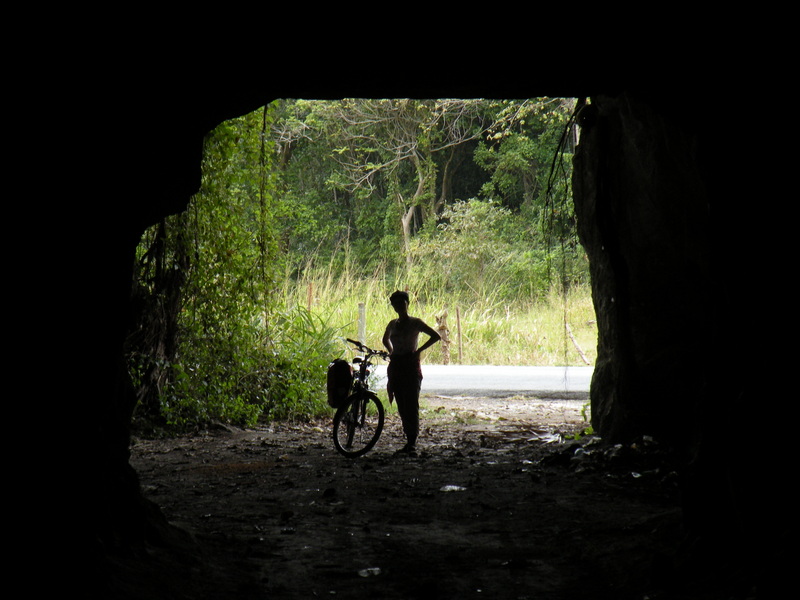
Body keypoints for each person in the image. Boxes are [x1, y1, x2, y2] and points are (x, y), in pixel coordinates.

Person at [382, 290, 441, 454]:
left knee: (411, 403)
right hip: (397, 364)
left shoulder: (415, 322)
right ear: (393, 306)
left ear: (407, 304)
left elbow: (435, 336)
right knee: (401, 403)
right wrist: (391, 351)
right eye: (396, 304)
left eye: (402, 303)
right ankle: (409, 440)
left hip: (410, 365)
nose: (399, 306)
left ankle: (412, 441)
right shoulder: (393, 324)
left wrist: (418, 351)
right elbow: (385, 339)